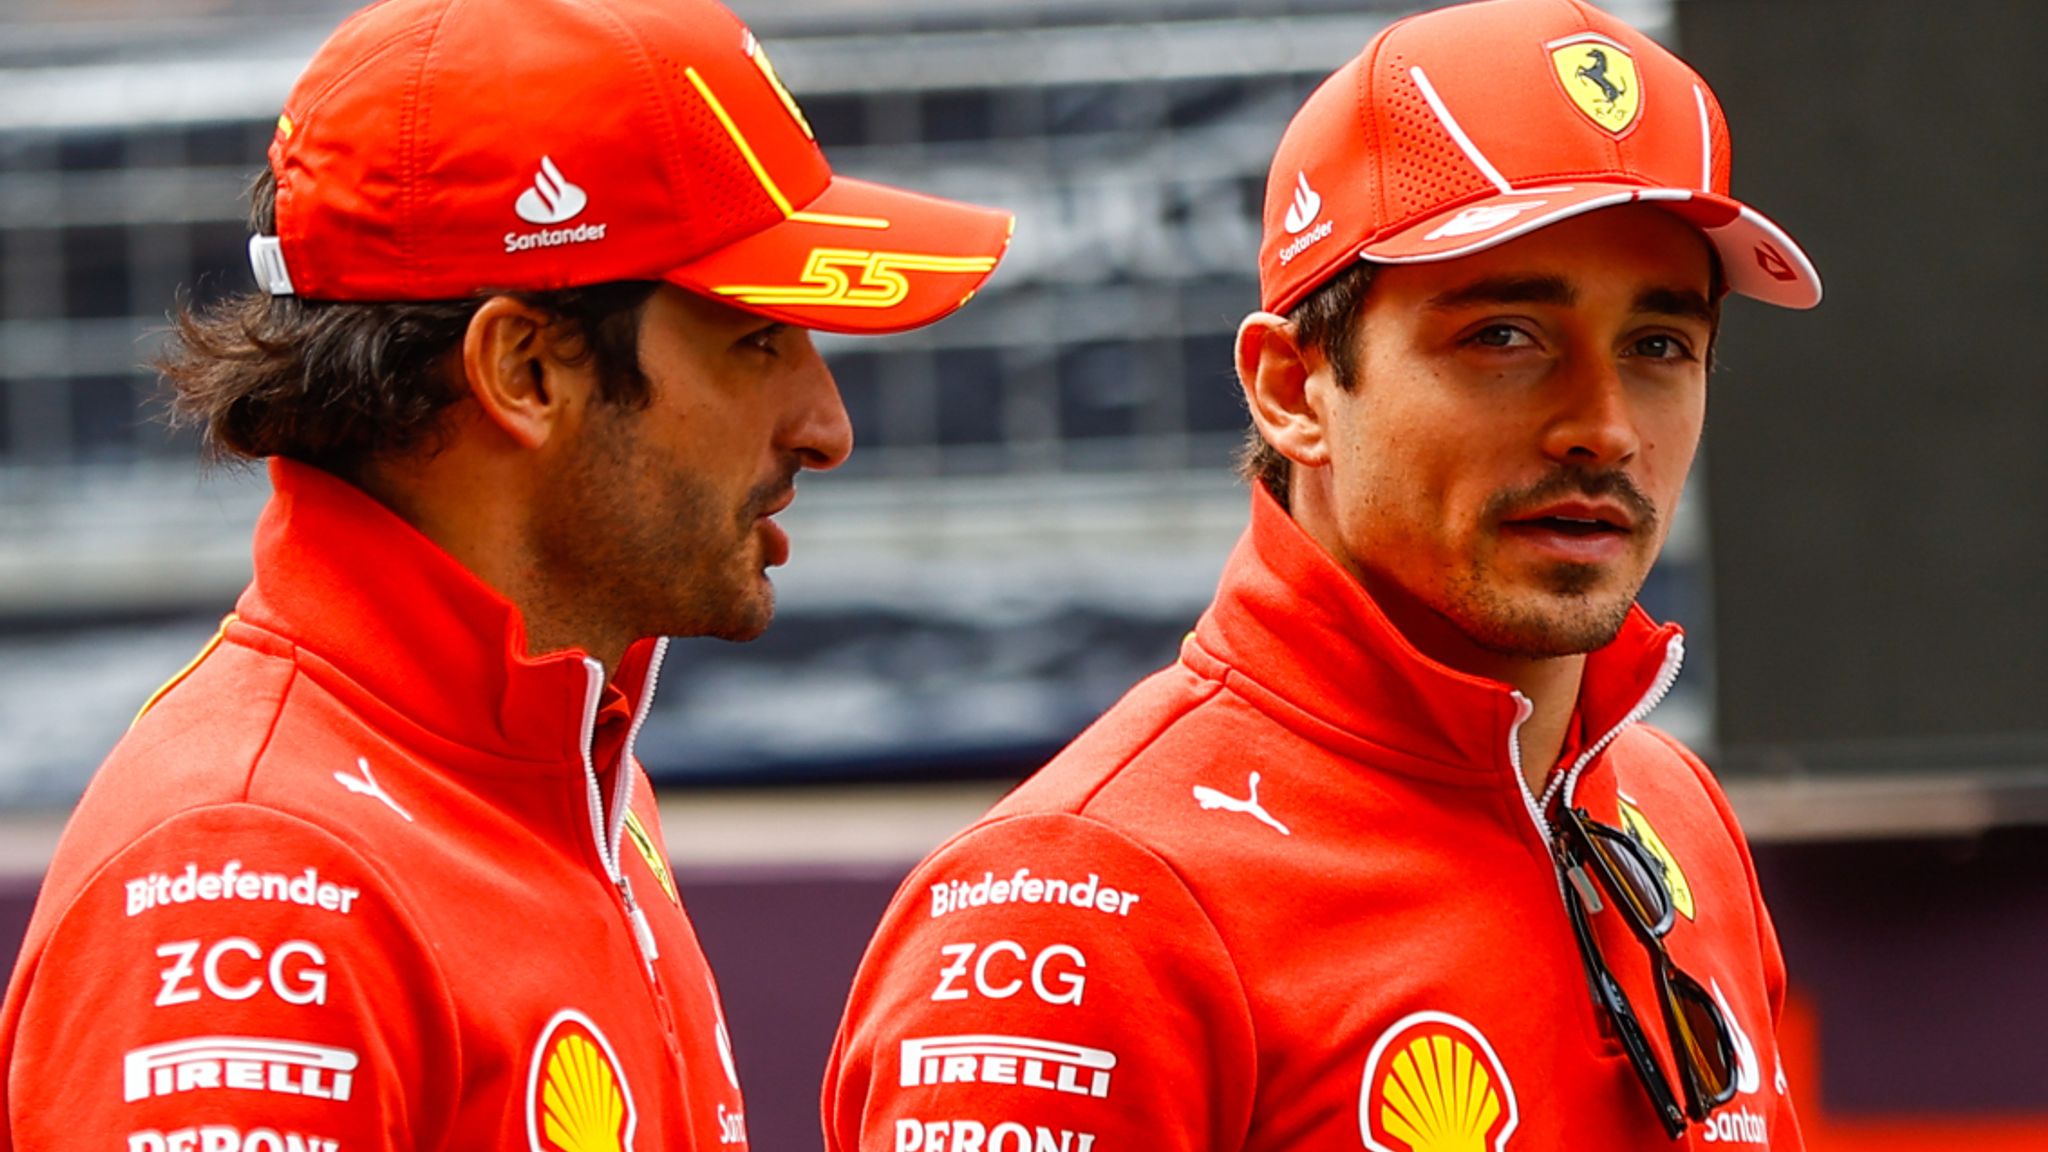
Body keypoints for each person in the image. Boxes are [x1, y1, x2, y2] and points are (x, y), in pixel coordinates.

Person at [0, 0, 1011, 1148]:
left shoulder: (566, 757)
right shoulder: (254, 878)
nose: (826, 426)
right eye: (757, 339)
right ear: (524, 369)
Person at [825, 0, 1820, 1148]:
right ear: (1291, 390)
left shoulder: (1668, 808)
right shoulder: (1085, 903)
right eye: (1503, 335)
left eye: (1657, 347)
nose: (1601, 428)